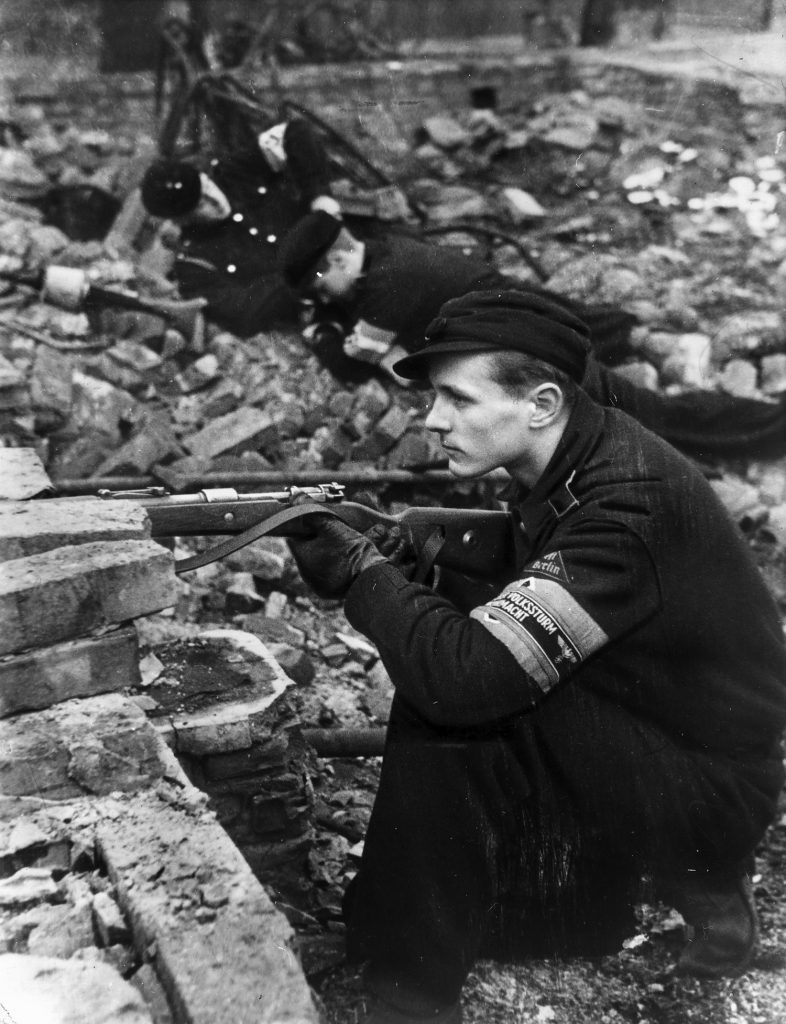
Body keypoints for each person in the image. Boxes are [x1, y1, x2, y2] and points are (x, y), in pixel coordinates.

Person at [288, 289, 786, 1024]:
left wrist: (367, 576)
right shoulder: (590, 447)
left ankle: (411, 993)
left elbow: (465, 680)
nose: (432, 420)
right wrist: (414, 544)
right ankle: (417, 928)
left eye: (457, 399)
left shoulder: (628, 504)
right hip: (660, 725)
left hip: (711, 785)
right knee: (452, 647)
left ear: (543, 403)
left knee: (451, 692)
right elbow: (531, 548)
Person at [279, 211, 786, 460]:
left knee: (655, 419)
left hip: (533, 355)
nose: (324, 295)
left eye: (323, 282)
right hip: (525, 333)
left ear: (342, 256)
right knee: (640, 408)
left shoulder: (384, 287)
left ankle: (770, 430)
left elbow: (376, 367)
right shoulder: (387, 251)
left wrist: (348, 340)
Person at [140, 117, 339, 338]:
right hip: (320, 310)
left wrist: (318, 194)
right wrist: (296, 278)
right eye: (202, 204)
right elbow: (244, 313)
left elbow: (295, 130)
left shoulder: (235, 171)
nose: (215, 200)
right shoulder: (194, 266)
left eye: (207, 186)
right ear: (181, 220)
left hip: (344, 250)